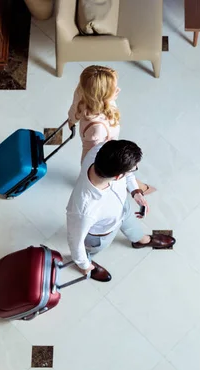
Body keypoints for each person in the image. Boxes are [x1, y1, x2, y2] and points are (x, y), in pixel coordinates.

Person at [66, 140, 176, 282]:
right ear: (118, 177)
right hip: (102, 233)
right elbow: (75, 242)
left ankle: (141, 240)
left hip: (123, 208)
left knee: (133, 226)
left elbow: (128, 174)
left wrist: (135, 191)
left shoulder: (102, 151)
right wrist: (84, 264)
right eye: (133, 169)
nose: (134, 170)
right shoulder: (84, 210)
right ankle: (87, 264)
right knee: (90, 251)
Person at [68, 65, 156, 195]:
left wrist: (71, 121)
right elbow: (101, 156)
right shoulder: (97, 128)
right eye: (113, 89)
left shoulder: (83, 92)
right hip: (100, 157)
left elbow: (74, 109)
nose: (118, 90)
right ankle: (138, 187)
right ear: (101, 94)